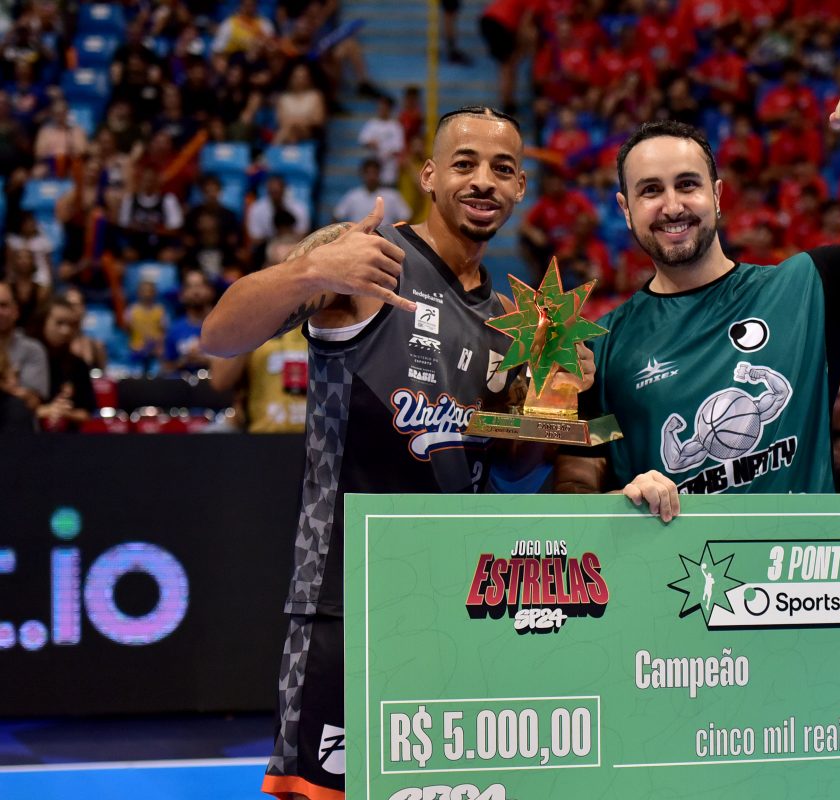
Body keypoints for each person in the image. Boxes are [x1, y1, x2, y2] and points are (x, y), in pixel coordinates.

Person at [201, 106, 623, 800]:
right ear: (428, 175)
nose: (483, 181)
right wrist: (311, 270)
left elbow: (507, 467)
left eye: (503, 169)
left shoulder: (509, 321)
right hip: (345, 599)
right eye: (465, 164)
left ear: (520, 189)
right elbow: (220, 336)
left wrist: (549, 404)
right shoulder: (366, 257)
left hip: (456, 602)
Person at [554, 87, 840, 500]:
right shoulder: (600, 346)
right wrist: (619, 502)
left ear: (717, 195)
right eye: (651, 190)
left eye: (687, 184)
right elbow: (577, 480)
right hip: (672, 559)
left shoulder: (807, 289)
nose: (672, 206)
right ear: (625, 210)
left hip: (798, 559)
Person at [36, 295, 98, 431]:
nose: (66, 331)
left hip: (70, 437)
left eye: (71, 325)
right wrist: (45, 411)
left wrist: (66, 413)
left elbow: (87, 413)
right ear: (43, 322)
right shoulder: (29, 358)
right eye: (59, 323)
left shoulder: (78, 365)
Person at [0, 280, 49, 413]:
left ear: (15, 311)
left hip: (15, 420)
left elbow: (32, 402)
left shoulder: (33, 349)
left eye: (4, 305)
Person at [163, 270, 214, 376]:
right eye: (190, 287)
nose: (195, 292)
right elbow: (166, 368)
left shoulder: (223, 326)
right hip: (182, 384)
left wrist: (206, 361)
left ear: (210, 291)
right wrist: (183, 361)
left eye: (200, 286)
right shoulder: (174, 329)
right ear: (182, 295)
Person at [333, 157, 411, 226]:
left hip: (384, 237)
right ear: (362, 174)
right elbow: (337, 216)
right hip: (358, 236)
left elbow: (405, 217)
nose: (371, 177)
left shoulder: (392, 196)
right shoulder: (352, 196)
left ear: (380, 174)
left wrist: (394, 234)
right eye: (368, 173)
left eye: (374, 173)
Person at [357, 96, 405, 184]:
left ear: (390, 109)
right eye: (380, 107)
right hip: (373, 166)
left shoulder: (396, 126)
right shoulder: (372, 124)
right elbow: (363, 140)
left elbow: (398, 147)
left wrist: (385, 154)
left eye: (385, 107)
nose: (382, 110)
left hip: (389, 167)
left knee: (387, 187)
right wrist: (371, 143)